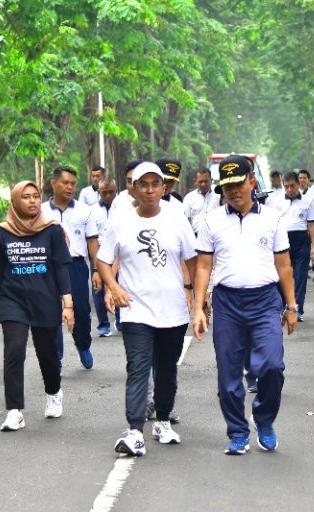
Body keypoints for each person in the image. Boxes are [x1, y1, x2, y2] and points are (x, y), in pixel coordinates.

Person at [192, 154, 298, 455]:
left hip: (265, 301)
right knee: (228, 376)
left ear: (252, 181)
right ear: (221, 191)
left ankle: (263, 420)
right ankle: (238, 431)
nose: (234, 191)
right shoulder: (210, 221)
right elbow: (202, 267)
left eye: (239, 183)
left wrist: (291, 307)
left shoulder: (272, 218)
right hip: (227, 302)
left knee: (272, 366)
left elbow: (284, 265)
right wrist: (199, 308)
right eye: (228, 187)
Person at [97, 162, 197, 457]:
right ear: (134, 188)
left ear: (164, 188)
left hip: (173, 310)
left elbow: (193, 260)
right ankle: (134, 432)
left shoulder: (176, 218)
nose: (150, 190)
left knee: (166, 369)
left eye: (156, 184)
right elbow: (103, 259)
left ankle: (163, 421)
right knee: (138, 368)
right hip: (135, 309)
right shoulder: (121, 221)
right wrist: (114, 289)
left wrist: (196, 294)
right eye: (144, 184)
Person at [0, 181, 74, 431]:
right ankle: (14, 411)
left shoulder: (52, 230)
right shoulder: (4, 232)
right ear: (15, 201)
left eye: (36, 196)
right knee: (14, 351)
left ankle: (54, 392)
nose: (33, 201)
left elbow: (61, 268)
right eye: (26, 197)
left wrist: (68, 304)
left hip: (45, 299)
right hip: (14, 301)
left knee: (47, 354)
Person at [41, 166, 100, 370]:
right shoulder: (41, 211)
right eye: (65, 183)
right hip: (46, 268)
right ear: (53, 183)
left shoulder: (85, 211)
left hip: (75, 267)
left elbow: (92, 242)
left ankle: (83, 345)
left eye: (73, 184)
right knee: (51, 313)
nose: (70, 187)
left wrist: (97, 271)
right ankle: (55, 357)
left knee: (82, 311)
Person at [270, 171, 314, 321]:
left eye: (293, 186)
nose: (290, 189)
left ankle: (297, 310)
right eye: (287, 186)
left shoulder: (307, 201)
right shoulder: (276, 202)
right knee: (280, 276)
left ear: (299, 184)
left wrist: (313, 247)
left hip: (302, 241)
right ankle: (281, 306)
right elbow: (272, 225)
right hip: (282, 241)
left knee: (300, 276)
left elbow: (311, 225)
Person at [92, 177, 118, 337]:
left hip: (118, 253)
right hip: (99, 253)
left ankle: (121, 318)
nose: (108, 195)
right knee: (98, 288)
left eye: (111, 192)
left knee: (120, 284)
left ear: (116, 191)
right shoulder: (92, 211)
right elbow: (92, 238)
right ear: (99, 193)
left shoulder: (122, 208)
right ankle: (103, 324)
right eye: (104, 193)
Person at [183, 167, 220, 235]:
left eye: (206, 181)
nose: (203, 184)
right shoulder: (189, 198)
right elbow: (186, 220)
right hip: (195, 237)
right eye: (200, 182)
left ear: (211, 180)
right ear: (195, 181)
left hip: (215, 236)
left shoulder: (218, 197)